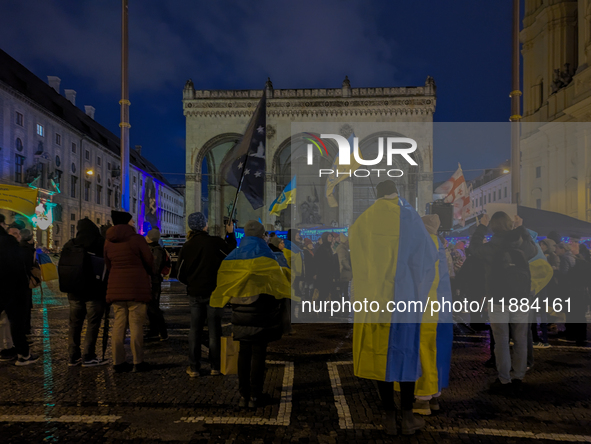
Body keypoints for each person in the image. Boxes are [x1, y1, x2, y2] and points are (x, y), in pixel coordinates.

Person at [349, 180, 438, 435]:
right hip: (404, 300)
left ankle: (389, 417)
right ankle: (408, 416)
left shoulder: (363, 220)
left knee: (380, 357)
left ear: (377, 194)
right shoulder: (408, 216)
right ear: (396, 193)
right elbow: (427, 259)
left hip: (374, 300)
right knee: (406, 353)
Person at [210, 220, 290, 408]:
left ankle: (243, 394)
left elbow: (223, 280)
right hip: (261, 311)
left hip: (240, 312)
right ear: (262, 235)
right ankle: (256, 395)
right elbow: (282, 281)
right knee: (259, 354)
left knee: (243, 353)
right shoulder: (270, 255)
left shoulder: (233, 255)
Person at [469, 212, 537, 393]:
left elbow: (474, 248)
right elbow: (535, 250)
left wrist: (481, 226)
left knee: (501, 340)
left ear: (492, 227)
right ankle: (519, 376)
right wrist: (521, 227)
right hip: (521, 298)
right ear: (511, 225)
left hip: (497, 298)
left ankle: (504, 378)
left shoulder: (490, 248)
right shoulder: (522, 246)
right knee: (521, 338)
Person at [177, 212, 236, 377]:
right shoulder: (215, 243)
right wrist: (230, 234)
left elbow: (179, 273)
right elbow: (231, 255)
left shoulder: (187, 246)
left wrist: (191, 282)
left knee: (195, 330)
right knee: (214, 330)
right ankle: (215, 366)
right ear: (204, 225)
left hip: (195, 293)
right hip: (214, 293)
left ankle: (194, 367)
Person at [408, 215, 453, 416]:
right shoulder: (439, 245)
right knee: (434, 350)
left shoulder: (423, 245)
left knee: (422, 351)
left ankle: (422, 399)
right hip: (437, 306)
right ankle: (434, 395)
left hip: (423, 307)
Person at [104, 211, 153, 373]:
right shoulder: (137, 239)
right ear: (126, 222)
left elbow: (108, 264)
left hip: (116, 287)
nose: (133, 222)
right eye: (132, 220)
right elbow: (149, 260)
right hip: (136, 287)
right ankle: (138, 361)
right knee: (136, 325)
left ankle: (118, 362)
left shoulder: (108, 241)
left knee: (118, 325)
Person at [59, 218, 108, 367]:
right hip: (95, 292)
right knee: (93, 324)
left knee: (74, 324)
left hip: (74, 291)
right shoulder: (100, 243)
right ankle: (88, 356)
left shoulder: (70, 244)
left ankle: (73, 356)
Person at [0, 214, 38, 365]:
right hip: (11, 289)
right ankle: (23, 355)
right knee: (16, 323)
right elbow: (17, 267)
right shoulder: (7, 242)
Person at [144, 228, 169, 341]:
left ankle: (162, 332)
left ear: (149, 238)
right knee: (150, 308)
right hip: (151, 281)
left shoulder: (157, 251)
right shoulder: (153, 249)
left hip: (153, 282)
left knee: (154, 308)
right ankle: (153, 330)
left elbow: (155, 267)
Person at [314, 232, 339, 302]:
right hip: (323, 275)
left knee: (326, 293)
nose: (330, 238)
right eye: (329, 237)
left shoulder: (329, 248)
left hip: (329, 275)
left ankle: (323, 309)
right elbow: (317, 262)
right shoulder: (321, 249)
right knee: (323, 293)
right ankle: (322, 310)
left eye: (331, 237)